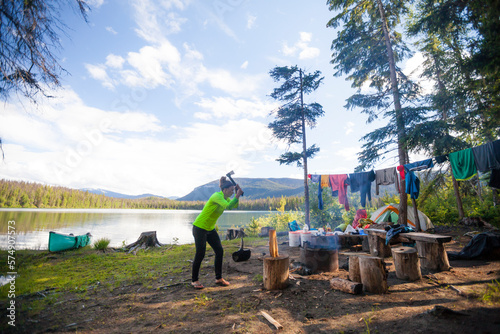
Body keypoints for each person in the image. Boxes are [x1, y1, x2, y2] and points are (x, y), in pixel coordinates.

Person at [191, 176, 244, 289]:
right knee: (200, 254)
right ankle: (194, 280)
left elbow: (234, 206)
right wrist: (238, 194)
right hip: (200, 227)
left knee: (219, 251)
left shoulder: (225, 198)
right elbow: (229, 206)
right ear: (224, 190)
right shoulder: (217, 196)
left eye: (232, 190)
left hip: (210, 228)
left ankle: (218, 278)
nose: (231, 192)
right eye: (230, 190)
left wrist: (236, 195)